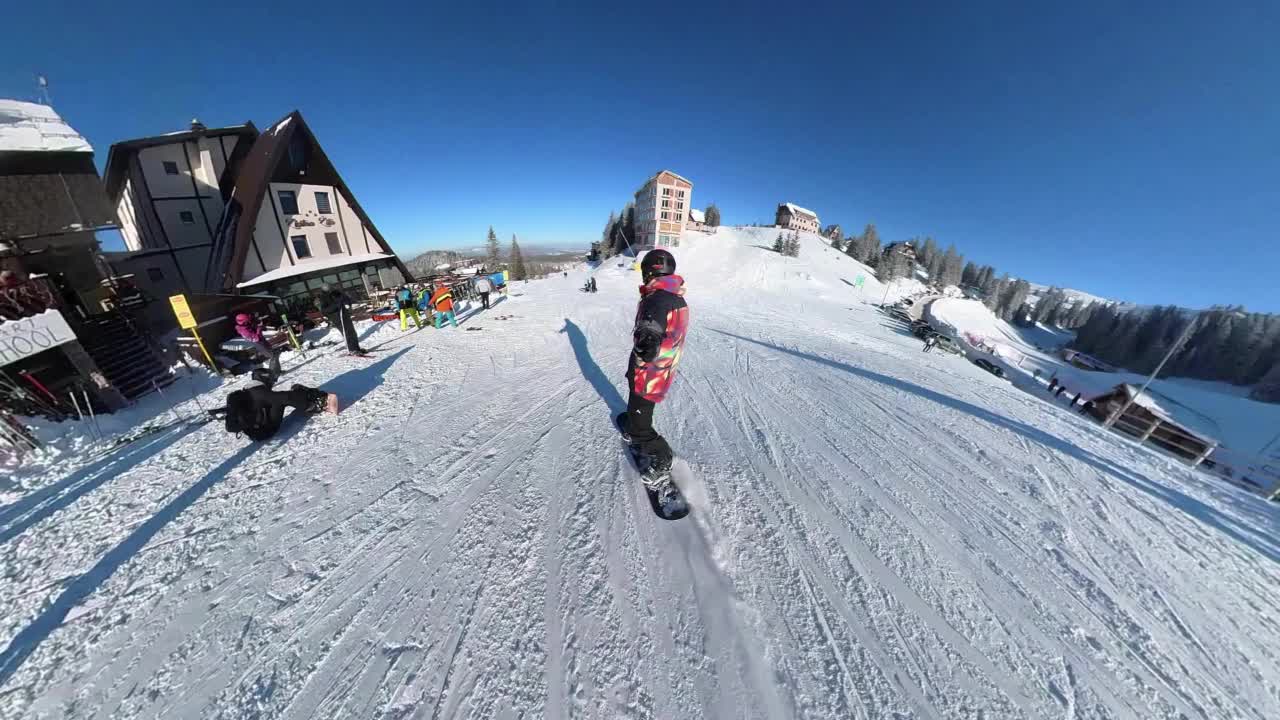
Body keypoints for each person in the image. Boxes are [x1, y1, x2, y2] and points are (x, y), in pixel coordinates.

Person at [616, 248, 689, 490]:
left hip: (650, 372)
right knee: (637, 403)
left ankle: (659, 456)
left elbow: (647, 343)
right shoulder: (676, 297)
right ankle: (634, 421)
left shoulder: (655, 299)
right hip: (662, 368)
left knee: (641, 416)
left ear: (650, 272)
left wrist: (641, 346)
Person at [211, 368, 331, 441]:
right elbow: (286, 397)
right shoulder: (260, 392)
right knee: (281, 398)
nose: (272, 383)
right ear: (265, 380)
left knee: (277, 398)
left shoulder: (246, 391)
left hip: (252, 430)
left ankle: (302, 395)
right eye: (271, 381)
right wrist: (307, 401)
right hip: (265, 431)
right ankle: (314, 405)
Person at [319, 285, 367, 355]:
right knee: (347, 333)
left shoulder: (337, 293)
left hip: (345, 316)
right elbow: (324, 310)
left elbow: (346, 298)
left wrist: (348, 303)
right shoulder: (323, 298)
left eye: (331, 288)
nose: (331, 290)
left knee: (352, 332)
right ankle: (352, 350)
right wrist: (336, 306)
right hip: (337, 318)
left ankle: (356, 348)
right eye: (329, 289)